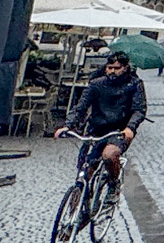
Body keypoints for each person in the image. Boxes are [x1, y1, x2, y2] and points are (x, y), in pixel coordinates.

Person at [59, 50, 147, 185]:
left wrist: (130, 127)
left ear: (125, 68)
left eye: (117, 68)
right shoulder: (96, 84)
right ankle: (79, 198)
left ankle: (113, 184)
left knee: (109, 155)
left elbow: (139, 110)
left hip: (119, 130)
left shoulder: (134, 84)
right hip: (97, 129)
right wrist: (68, 125)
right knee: (85, 170)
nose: (112, 71)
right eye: (109, 67)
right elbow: (81, 106)